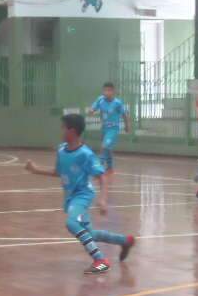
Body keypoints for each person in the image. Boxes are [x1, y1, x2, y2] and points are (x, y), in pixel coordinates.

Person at [25, 113, 134, 274]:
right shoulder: (61, 150)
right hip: (70, 198)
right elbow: (58, 172)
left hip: (82, 195)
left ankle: (101, 261)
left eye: (63, 128)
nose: (61, 131)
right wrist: (35, 170)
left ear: (72, 131)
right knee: (90, 234)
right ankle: (125, 241)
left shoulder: (86, 154)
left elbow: (101, 177)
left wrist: (103, 200)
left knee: (72, 223)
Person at [88, 82, 131, 177]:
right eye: (104, 90)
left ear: (113, 91)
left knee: (104, 146)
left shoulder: (117, 103)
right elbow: (93, 107)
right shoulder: (100, 100)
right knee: (108, 149)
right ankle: (110, 168)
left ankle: (99, 169)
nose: (105, 92)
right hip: (104, 128)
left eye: (108, 90)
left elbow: (124, 114)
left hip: (113, 129)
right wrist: (91, 110)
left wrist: (127, 125)